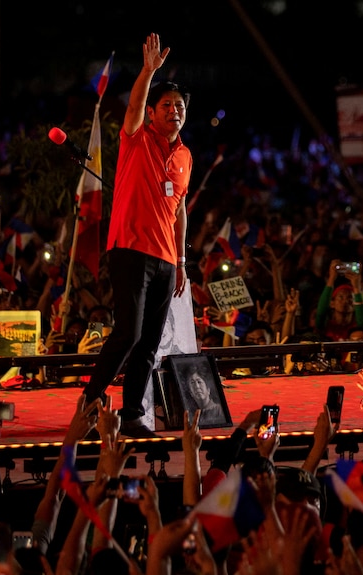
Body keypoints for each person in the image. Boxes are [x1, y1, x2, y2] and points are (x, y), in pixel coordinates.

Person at [83, 33, 192, 439]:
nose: (174, 111)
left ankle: (132, 414)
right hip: (129, 249)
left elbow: (180, 208)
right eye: (166, 106)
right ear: (152, 113)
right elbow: (132, 105)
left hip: (166, 259)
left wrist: (181, 261)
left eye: (180, 107)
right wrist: (148, 71)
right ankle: (91, 403)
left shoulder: (185, 156)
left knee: (149, 342)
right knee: (127, 333)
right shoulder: (136, 138)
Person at [181, 361, 225, 427]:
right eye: (192, 383)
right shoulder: (190, 413)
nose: (197, 387)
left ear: (208, 388)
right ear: (190, 392)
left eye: (199, 382)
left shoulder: (220, 411)